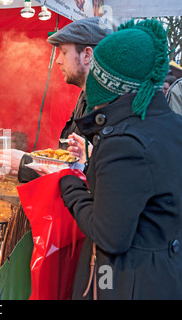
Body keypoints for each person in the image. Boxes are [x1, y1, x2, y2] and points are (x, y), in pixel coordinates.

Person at [59, 19, 182, 299]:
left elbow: (109, 236)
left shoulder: (125, 142)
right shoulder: (173, 124)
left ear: (105, 81)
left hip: (127, 283)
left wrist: (69, 184)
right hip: (166, 274)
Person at [0, 17, 112, 181]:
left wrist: (27, 163)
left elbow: (93, 176)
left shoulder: (108, 108)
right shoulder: (85, 96)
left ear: (87, 55)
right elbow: (70, 161)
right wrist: (26, 162)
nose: (58, 61)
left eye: (64, 52)